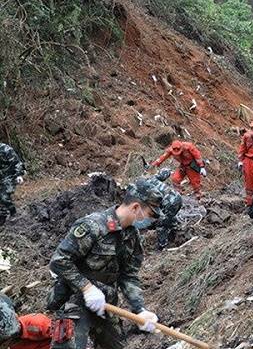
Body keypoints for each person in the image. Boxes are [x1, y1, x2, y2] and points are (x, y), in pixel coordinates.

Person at [48, 178, 165, 349]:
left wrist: (140, 310)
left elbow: (129, 276)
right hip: (75, 300)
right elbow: (59, 261)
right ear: (135, 207)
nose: (151, 220)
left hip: (106, 304)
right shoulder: (93, 226)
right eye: (151, 214)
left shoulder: (132, 237)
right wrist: (87, 288)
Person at [147, 169, 183, 250]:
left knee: (161, 223)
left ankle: (162, 246)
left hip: (170, 202)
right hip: (177, 197)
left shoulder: (144, 191)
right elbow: (163, 173)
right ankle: (175, 229)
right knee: (168, 217)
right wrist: (170, 171)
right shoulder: (152, 178)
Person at [0, 142, 25, 225]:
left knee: (4, 197)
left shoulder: (5, 149)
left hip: (9, 176)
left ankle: (13, 212)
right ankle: (2, 216)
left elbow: (17, 163)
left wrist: (19, 175)